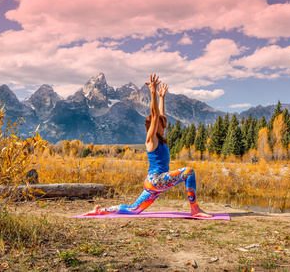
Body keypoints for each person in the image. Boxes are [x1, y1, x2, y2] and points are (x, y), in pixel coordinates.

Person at [84, 74, 212, 218]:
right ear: (154, 126)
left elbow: (160, 116)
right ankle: (195, 210)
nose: (164, 128)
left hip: (152, 183)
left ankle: (102, 210)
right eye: (162, 126)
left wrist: (162, 97)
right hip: (157, 180)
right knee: (189, 171)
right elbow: (155, 115)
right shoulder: (151, 140)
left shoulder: (159, 139)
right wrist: (152, 92)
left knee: (134, 209)